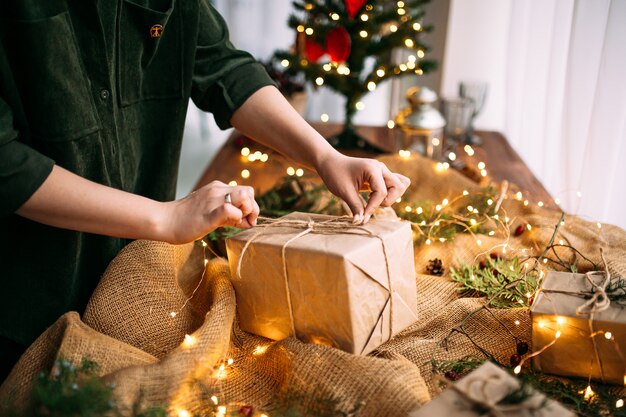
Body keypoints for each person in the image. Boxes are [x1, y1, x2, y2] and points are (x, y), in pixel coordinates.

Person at [0, 0, 410, 382]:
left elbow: (224, 68)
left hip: (140, 275)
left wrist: (324, 157)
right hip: (26, 302)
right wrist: (165, 217)